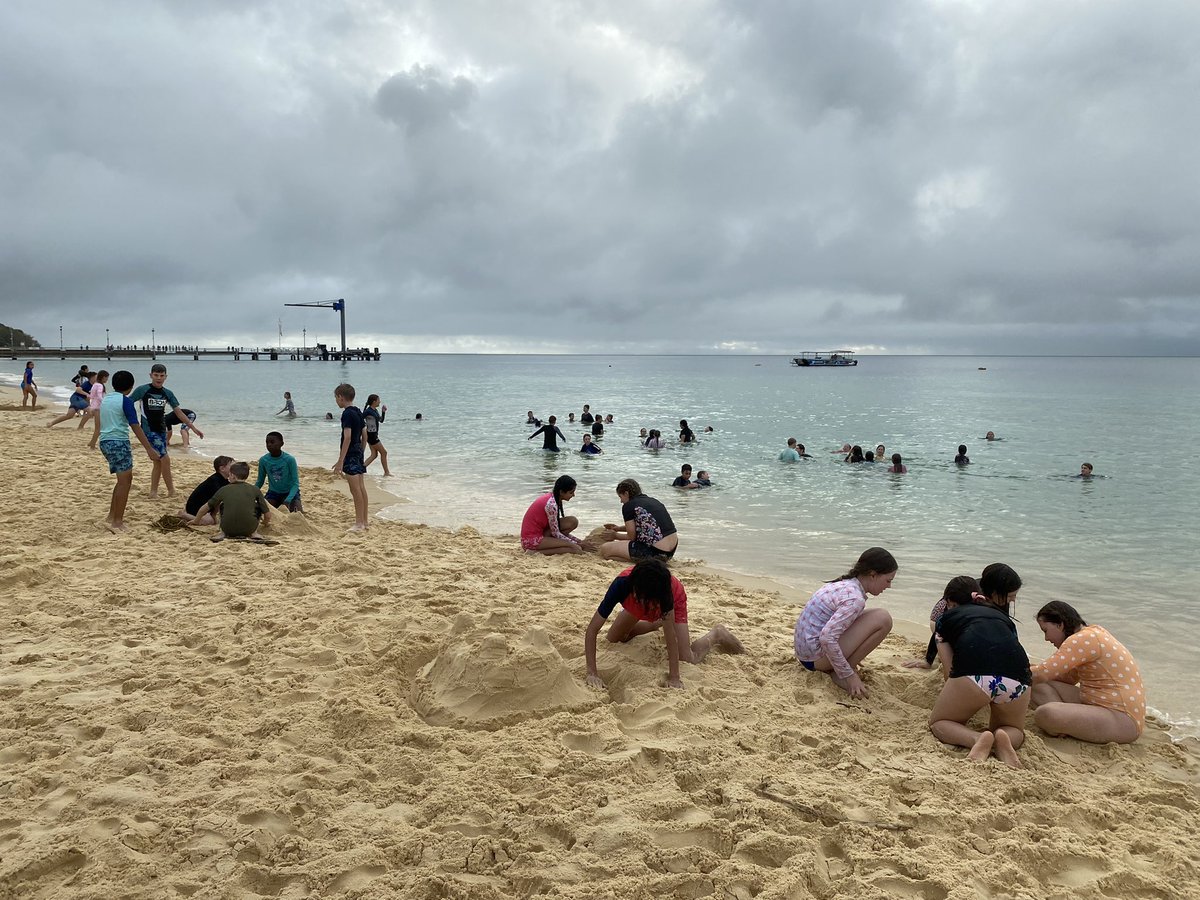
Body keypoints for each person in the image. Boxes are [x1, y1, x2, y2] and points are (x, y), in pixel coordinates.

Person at [585, 559, 744, 690]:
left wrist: (674, 677)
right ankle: (656, 622)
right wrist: (592, 673)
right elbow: (592, 630)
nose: (651, 606)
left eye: (653, 604)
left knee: (687, 658)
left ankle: (717, 633)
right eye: (647, 602)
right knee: (614, 638)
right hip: (639, 599)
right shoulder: (621, 585)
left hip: (671, 601)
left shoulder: (666, 594)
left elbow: (670, 638)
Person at [928, 563, 1030, 768]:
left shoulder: (946, 618)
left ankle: (976, 739)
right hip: (1019, 677)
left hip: (975, 676)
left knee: (940, 723)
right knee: (1014, 729)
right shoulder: (1003, 617)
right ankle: (1005, 738)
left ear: (951, 602)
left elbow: (949, 673)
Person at [1030, 601, 1144, 744]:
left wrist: (1007, 673)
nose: (1046, 638)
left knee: (1044, 713)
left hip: (1122, 718)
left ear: (1060, 624)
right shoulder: (1091, 633)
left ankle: (1060, 723)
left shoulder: (1082, 639)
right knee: (1038, 685)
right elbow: (1067, 678)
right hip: (1098, 704)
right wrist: (1033, 669)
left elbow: (1042, 673)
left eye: (1045, 630)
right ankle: (1064, 723)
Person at [793, 547, 897, 698]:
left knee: (878, 615)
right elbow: (827, 637)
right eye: (888, 580)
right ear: (873, 575)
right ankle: (840, 673)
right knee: (883, 619)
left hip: (806, 654)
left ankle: (843, 665)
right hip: (814, 659)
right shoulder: (855, 599)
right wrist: (848, 674)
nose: (889, 586)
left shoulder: (846, 584)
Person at [96, 370, 160, 533]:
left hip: (105, 441)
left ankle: (111, 516)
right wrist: (149, 449)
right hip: (118, 442)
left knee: (122, 480)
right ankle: (117, 522)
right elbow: (135, 426)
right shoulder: (125, 402)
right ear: (131, 387)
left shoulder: (107, 398)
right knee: (125, 482)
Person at [129, 364, 205, 498]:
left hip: (161, 430)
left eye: (162, 375)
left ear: (166, 377)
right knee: (165, 459)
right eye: (156, 375)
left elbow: (178, 412)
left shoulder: (167, 393)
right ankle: (171, 491)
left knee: (158, 461)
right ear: (151, 375)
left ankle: (153, 492)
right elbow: (128, 403)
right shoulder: (143, 390)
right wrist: (130, 421)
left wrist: (192, 427)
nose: (159, 378)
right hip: (148, 430)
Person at [901, 575, 979, 670]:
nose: (953, 610)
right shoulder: (945, 608)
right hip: (937, 621)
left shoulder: (982, 607)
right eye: (951, 605)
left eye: (955, 606)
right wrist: (928, 661)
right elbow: (937, 631)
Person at [600, 478, 678, 561]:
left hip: (655, 551)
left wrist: (615, 535)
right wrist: (619, 529)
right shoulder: (654, 501)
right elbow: (647, 526)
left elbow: (631, 537)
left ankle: (638, 561)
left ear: (626, 493)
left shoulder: (628, 505)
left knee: (605, 549)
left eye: (620, 497)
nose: (621, 501)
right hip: (670, 552)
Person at [195, 461, 273, 541]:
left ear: (232, 475)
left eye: (229, 475)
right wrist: (265, 523)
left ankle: (223, 533)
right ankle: (254, 533)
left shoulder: (224, 489)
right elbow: (267, 514)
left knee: (222, 505)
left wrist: (196, 520)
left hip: (228, 529)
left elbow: (206, 507)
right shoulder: (255, 489)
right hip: (249, 529)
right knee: (258, 506)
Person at [333, 383, 368, 532]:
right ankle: (364, 521)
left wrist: (341, 460)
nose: (336, 401)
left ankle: (359, 523)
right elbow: (364, 434)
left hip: (350, 454)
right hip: (358, 451)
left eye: (336, 397)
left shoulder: (347, 413)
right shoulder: (358, 411)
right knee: (361, 487)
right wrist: (361, 450)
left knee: (355, 490)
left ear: (341, 397)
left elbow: (347, 437)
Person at [520, 475, 584, 554]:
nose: (573, 495)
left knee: (572, 521)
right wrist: (577, 544)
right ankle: (535, 552)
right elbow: (556, 533)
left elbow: (555, 528)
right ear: (561, 492)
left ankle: (549, 545)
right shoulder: (551, 505)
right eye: (571, 492)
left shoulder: (554, 498)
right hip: (531, 540)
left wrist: (579, 541)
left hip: (542, 533)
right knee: (576, 549)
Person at [256, 432, 303, 512]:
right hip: (273, 493)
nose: (269, 445)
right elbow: (260, 481)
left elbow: (295, 484)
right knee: (260, 510)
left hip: (290, 493)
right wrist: (251, 493)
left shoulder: (289, 459)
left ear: (282, 444)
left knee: (297, 513)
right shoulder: (264, 460)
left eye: (272, 442)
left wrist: (287, 500)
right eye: (267, 442)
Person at [181, 456, 235, 524]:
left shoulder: (224, 480)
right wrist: (213, 515)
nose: (235, 469)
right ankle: (184, 515)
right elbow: (218, 500)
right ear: (222, 468)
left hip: (205, 507)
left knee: (213, 519)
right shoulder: (214, 481)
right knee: (209, 521)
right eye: (232, 467)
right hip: (195, 507)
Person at [78, 370, 109, 448]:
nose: (107, 380)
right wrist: (105, 402)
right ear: (103, 377)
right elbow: (99, 395)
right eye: (107, 378)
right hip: (98, 408)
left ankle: (92, 442)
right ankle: (92, 444)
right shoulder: (100, 385)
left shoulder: (95, 384)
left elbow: (91, 396)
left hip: (93, 407)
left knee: (98, 427)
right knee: (98, 428)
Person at [363, 394, 391, 476]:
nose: (380, 401)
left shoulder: (374, 410)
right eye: (378, 400)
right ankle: (386, 472)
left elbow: (381, 420)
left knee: (374, 454)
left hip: (373, 435)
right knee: (384, 452)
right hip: (371, 436)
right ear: (374, 401)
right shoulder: (368, 411)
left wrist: (383, 412)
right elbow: (360, 418)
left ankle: (361, 468)